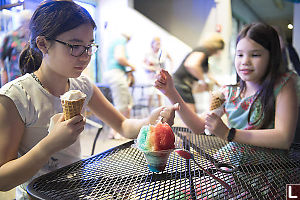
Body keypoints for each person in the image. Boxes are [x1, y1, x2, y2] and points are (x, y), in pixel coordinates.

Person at [0, 1, 178, 199]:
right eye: (75, 46)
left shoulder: (82, 85)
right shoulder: (16, 97)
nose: (85, 56)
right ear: (43, 44)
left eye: (89, 46)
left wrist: (149, 122)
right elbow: (3, 180)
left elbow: (123, 124)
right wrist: (48, 145)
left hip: (76, 189)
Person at [155, 22, 298, 150]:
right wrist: (171, 92)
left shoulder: (284, 84)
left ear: (272, 57)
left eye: (255, 55)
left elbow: (283, 138)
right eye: (240, 55)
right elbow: (199, 127)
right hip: (233, 164)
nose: (245, 61)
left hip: (269, 169)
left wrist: (229, 133)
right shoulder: (228, 93)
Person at [172, 33, 225, 113]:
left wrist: (219, 85)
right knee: (190, 114)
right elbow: (190, 65)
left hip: (182, 84)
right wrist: (202, 81)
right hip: (181, 84)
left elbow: (208, 73)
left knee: (190, 113)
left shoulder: (205, 55)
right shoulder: (203, 50)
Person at [104, 33, 137, 139]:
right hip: (116, 74)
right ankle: (118, 132)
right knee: (122, 106)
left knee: (122, 104)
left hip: (113, 74)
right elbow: (120, 58)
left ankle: (115, 132)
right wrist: (132, 66)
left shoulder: (114, 41)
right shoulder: (121, 40)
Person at [0, 10, 32, 86]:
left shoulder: (33, 37)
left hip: (32, 78)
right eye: (26, 23)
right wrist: (3, 72)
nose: (28, 26)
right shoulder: (12, 37)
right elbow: (1, 56)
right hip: (16, 78)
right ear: (22, 23)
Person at [143, 36, 173, 110]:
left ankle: (162, 114)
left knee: (160, 95)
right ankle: (149, 113)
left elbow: (171, 60)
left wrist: (170, 71)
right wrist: (150, 68)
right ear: (152, 44)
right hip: (150, 77)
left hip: (160, 76)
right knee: (149, 95)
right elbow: (143, 64)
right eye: (157, 43)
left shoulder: (163, 52)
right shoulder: (148, 53)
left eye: (159, 43)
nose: (158, 45)